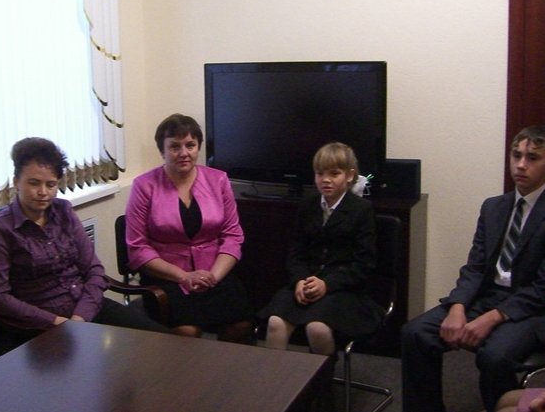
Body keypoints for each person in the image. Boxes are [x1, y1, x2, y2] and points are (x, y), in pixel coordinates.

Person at [402, 125, 545, 412]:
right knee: (416, 332)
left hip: (531, 310)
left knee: (494, 356)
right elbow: (475, 267)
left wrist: (491, 318)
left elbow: (541, 289)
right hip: (487, 297)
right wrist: (457, 307)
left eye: (532, 158)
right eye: (516, 155)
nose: (520, 165)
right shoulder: (493, 207)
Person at [0, 137, 169, 334]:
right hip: (43, 324)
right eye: (34, 183)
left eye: (51, 184)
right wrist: (56, 322)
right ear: (16, 182)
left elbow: (94, 270)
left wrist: (80, 316)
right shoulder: (2, 227)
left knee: (160, 340)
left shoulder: (64, 211)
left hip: (87, 308)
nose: (43, 192)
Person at [125, 113, 254, 342]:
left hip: (214, 271)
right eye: (175, 146)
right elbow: (137, 247)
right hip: (167, 277)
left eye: (190, 145)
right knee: (187, 332)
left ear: (198, 147)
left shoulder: (219, 180)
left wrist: (213, 276)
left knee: (242, 325)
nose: (184, 153)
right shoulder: (144, 186)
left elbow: (233, 236)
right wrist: (183, 277)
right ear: (162, 151)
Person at [259, 142, 384, 355]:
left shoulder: (361, 210)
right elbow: (296, 253)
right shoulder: (308, 205)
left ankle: (323, 375)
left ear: (349, 176)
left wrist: (327, 284)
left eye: (334, 174)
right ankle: (275, 375)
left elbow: (363, 264)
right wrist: (300, 280)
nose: (325, 180)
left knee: (317, 328)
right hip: (307, 282)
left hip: (343, 288)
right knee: (275, 323)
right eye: (320, 174)